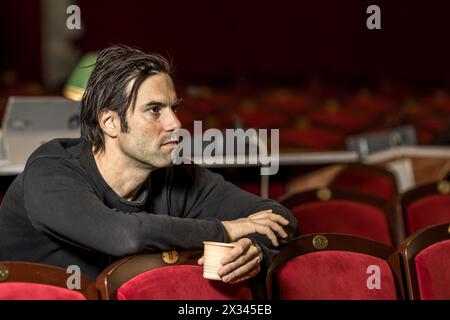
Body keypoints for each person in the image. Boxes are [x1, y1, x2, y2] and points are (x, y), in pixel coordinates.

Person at [0, 45, 298, 283]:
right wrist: (227, 231)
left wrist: (254, 249)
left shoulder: (178, 176)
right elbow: (123, 235)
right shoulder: (51, 170)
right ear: (110, 122)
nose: (175, 123)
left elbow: (279, 217)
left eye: (174, 108)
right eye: (154, 110)